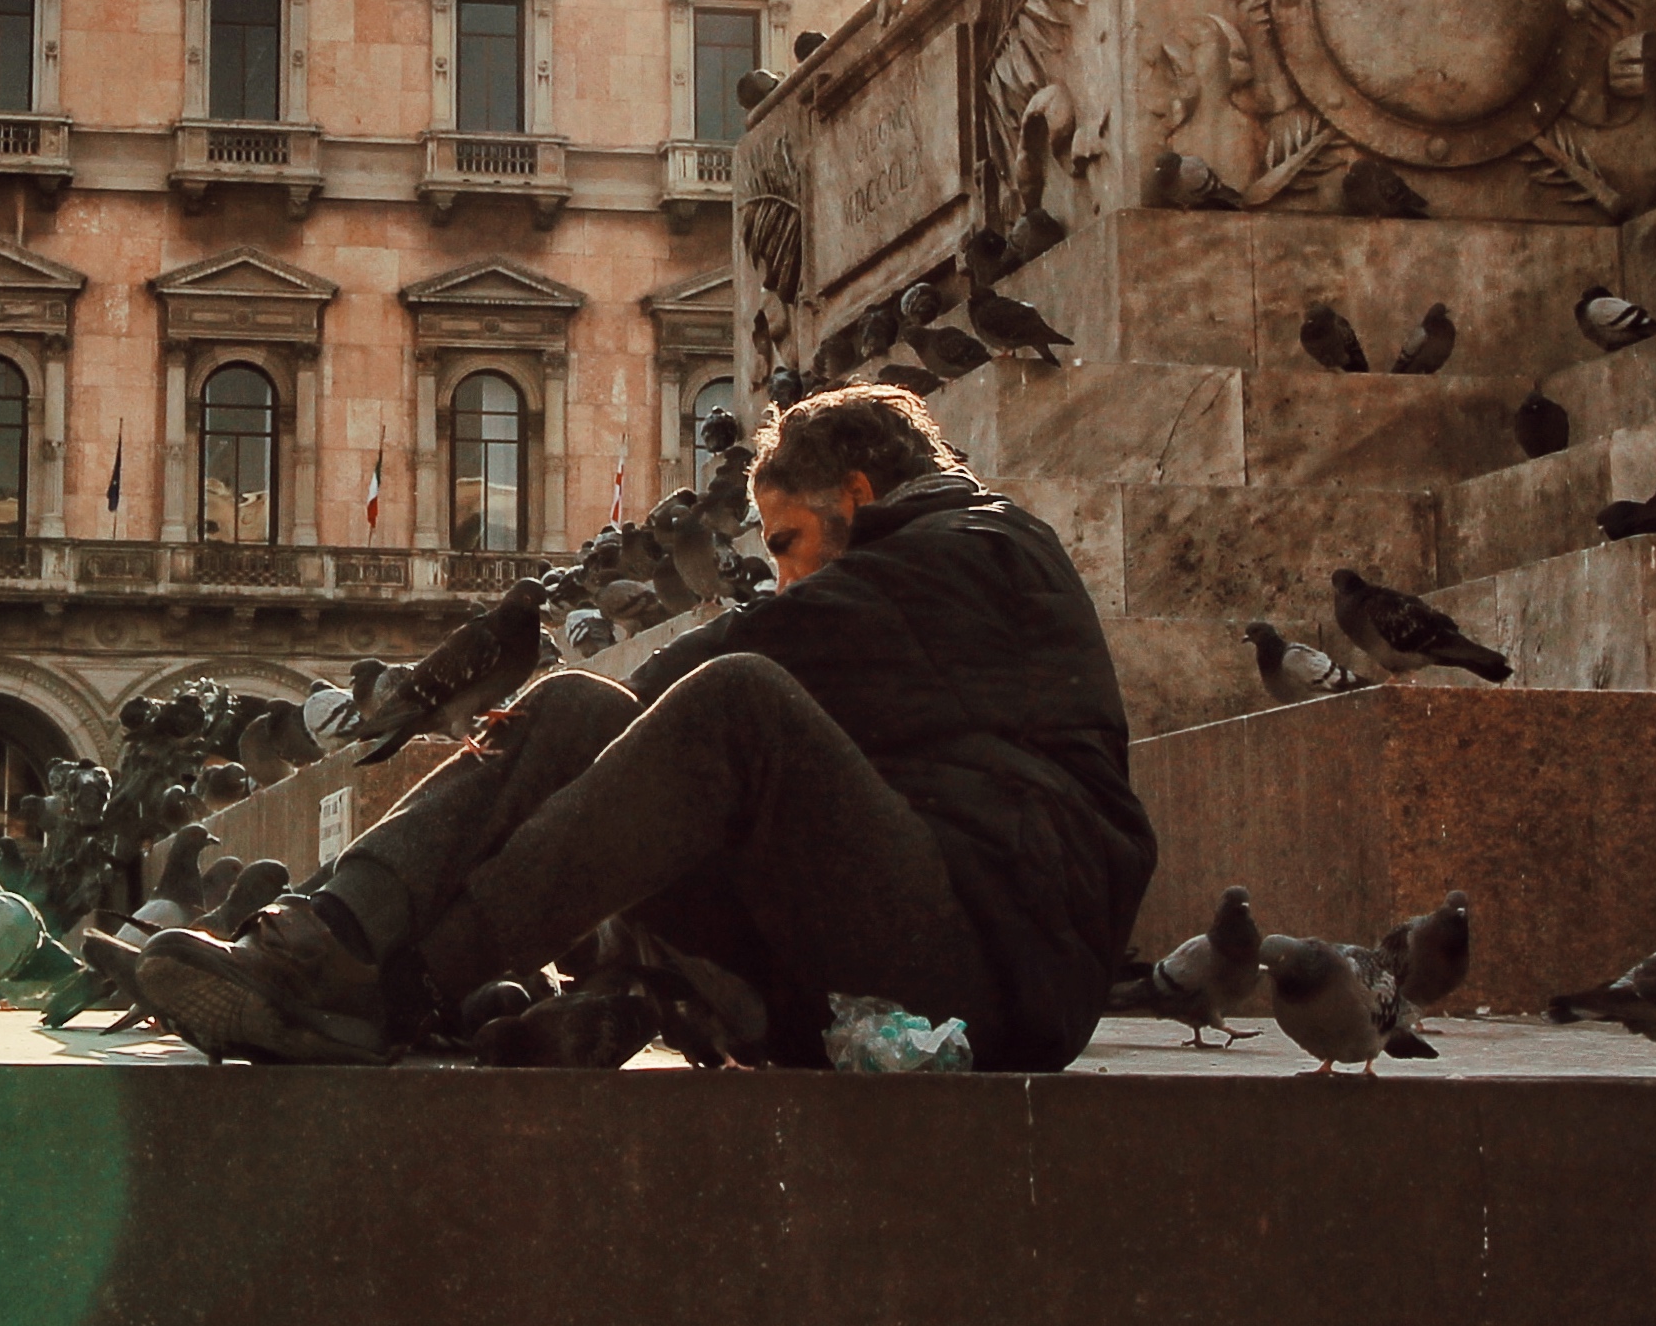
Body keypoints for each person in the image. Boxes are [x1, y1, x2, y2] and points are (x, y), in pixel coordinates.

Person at [140, 385, 1155, 1071]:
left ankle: (392, 989)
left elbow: (746, 653)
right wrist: (563, 731)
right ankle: (330, 933)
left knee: (731, 698)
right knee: (582, 703)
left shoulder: (985, 546)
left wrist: (611, 732)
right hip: (873, 944)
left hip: (995, 964)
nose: (788, 569)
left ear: (857, 494)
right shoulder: (901, 577)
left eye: (793, 541)